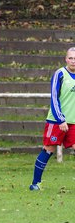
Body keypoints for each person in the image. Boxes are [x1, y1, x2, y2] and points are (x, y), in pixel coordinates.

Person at [30, 47, 75, 191]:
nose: (73, 61)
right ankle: (35, 183)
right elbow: (54, 98)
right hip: (57, 121)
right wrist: (60, 119)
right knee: (48, 150)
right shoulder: (60, 74)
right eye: (71, 58)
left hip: (73, 122)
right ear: (66, 59)